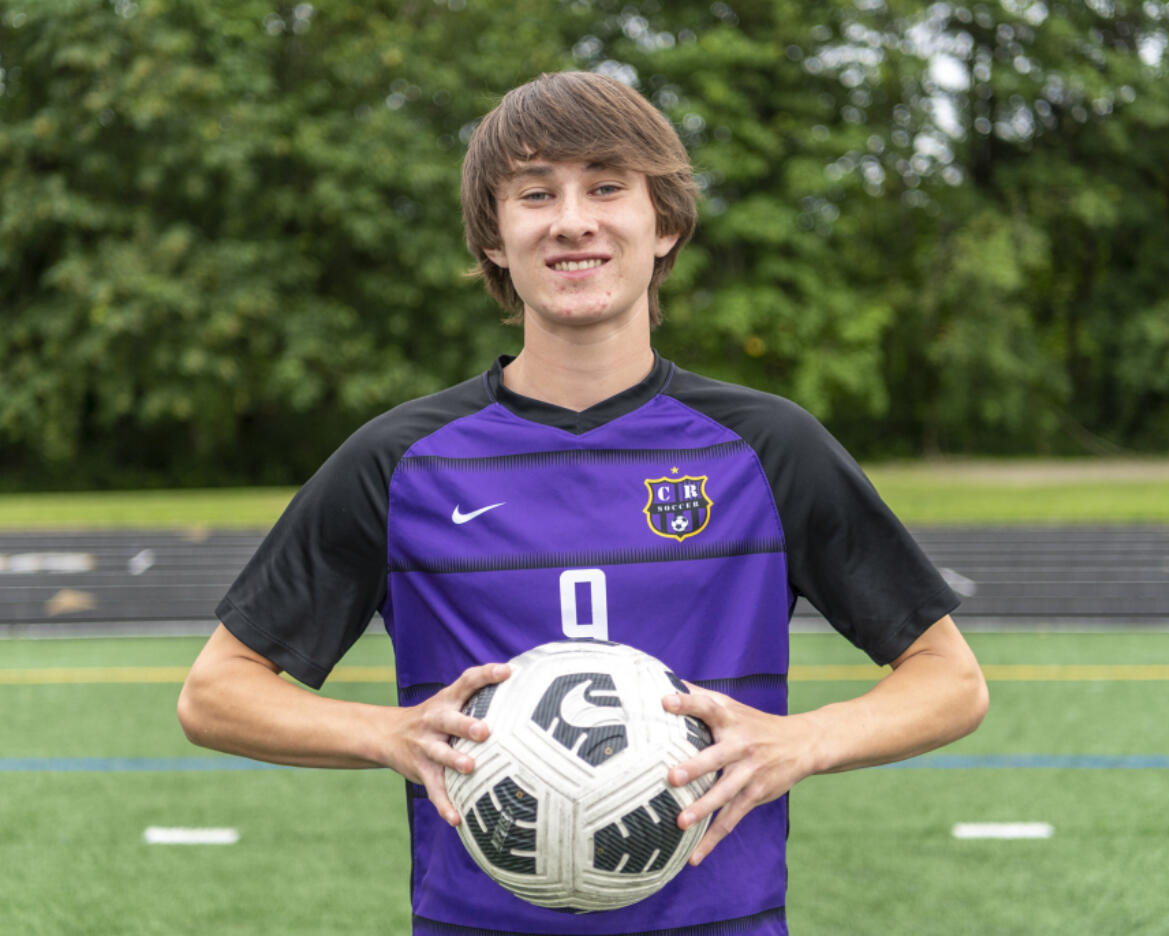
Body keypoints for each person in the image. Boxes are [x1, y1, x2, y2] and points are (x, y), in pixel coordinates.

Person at [179, 70, 988, 936]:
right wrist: (388, 735)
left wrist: (803, 741)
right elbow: (216, 692)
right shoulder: (401, 461)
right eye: (536, 194)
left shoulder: (766, 448)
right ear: (494, 238)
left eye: (607, 187)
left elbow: (950, 681)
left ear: (664, 221)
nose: (573, 220)